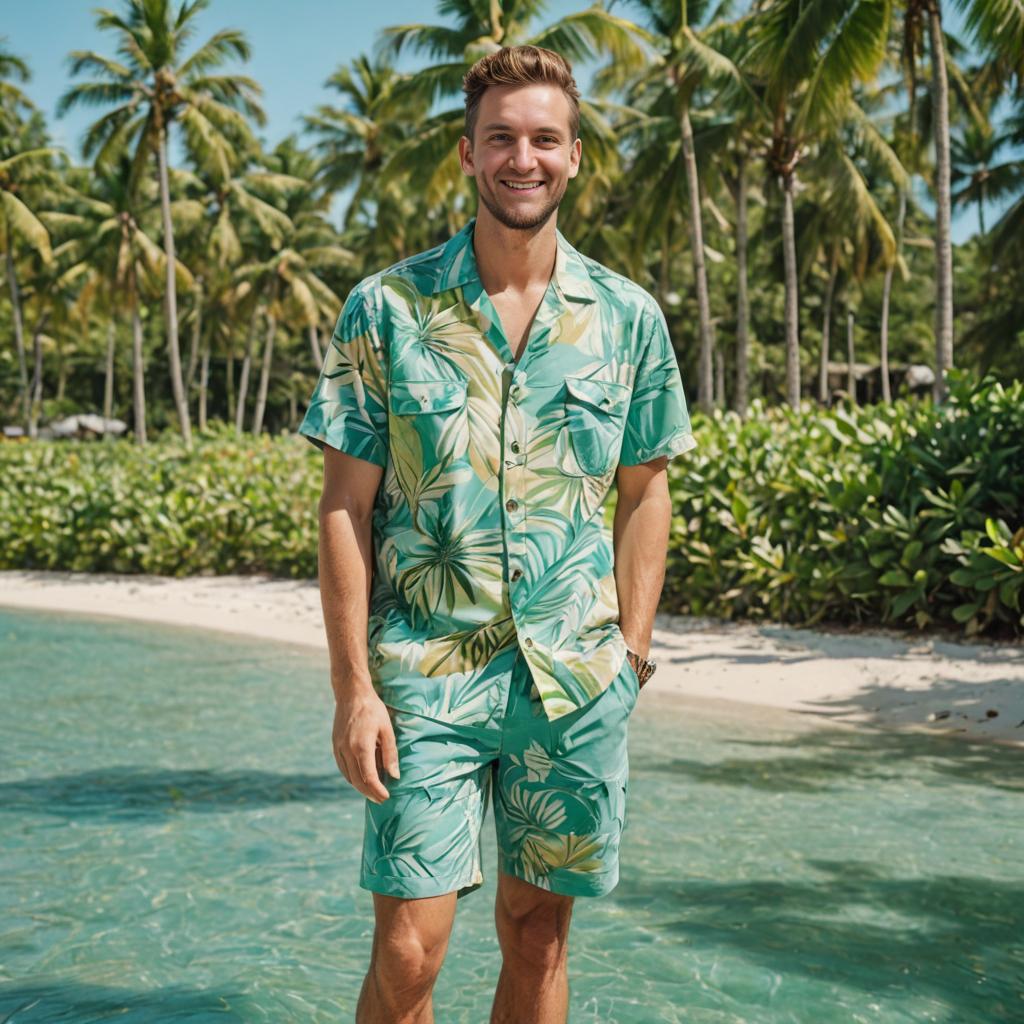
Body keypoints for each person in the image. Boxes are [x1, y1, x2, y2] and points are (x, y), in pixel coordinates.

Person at [298, 43, 697, 1024]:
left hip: (572, 677)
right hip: (422, 673)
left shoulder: (629, 319)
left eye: (545, 139)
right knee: (407, 952)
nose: (525, 158)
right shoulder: (385, 310)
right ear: (469, 156)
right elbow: (342, 507)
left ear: (573, 157)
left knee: (537, 936)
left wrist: (631, 653)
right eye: (502, 139)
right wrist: (353, 688)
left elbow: (645, 492)